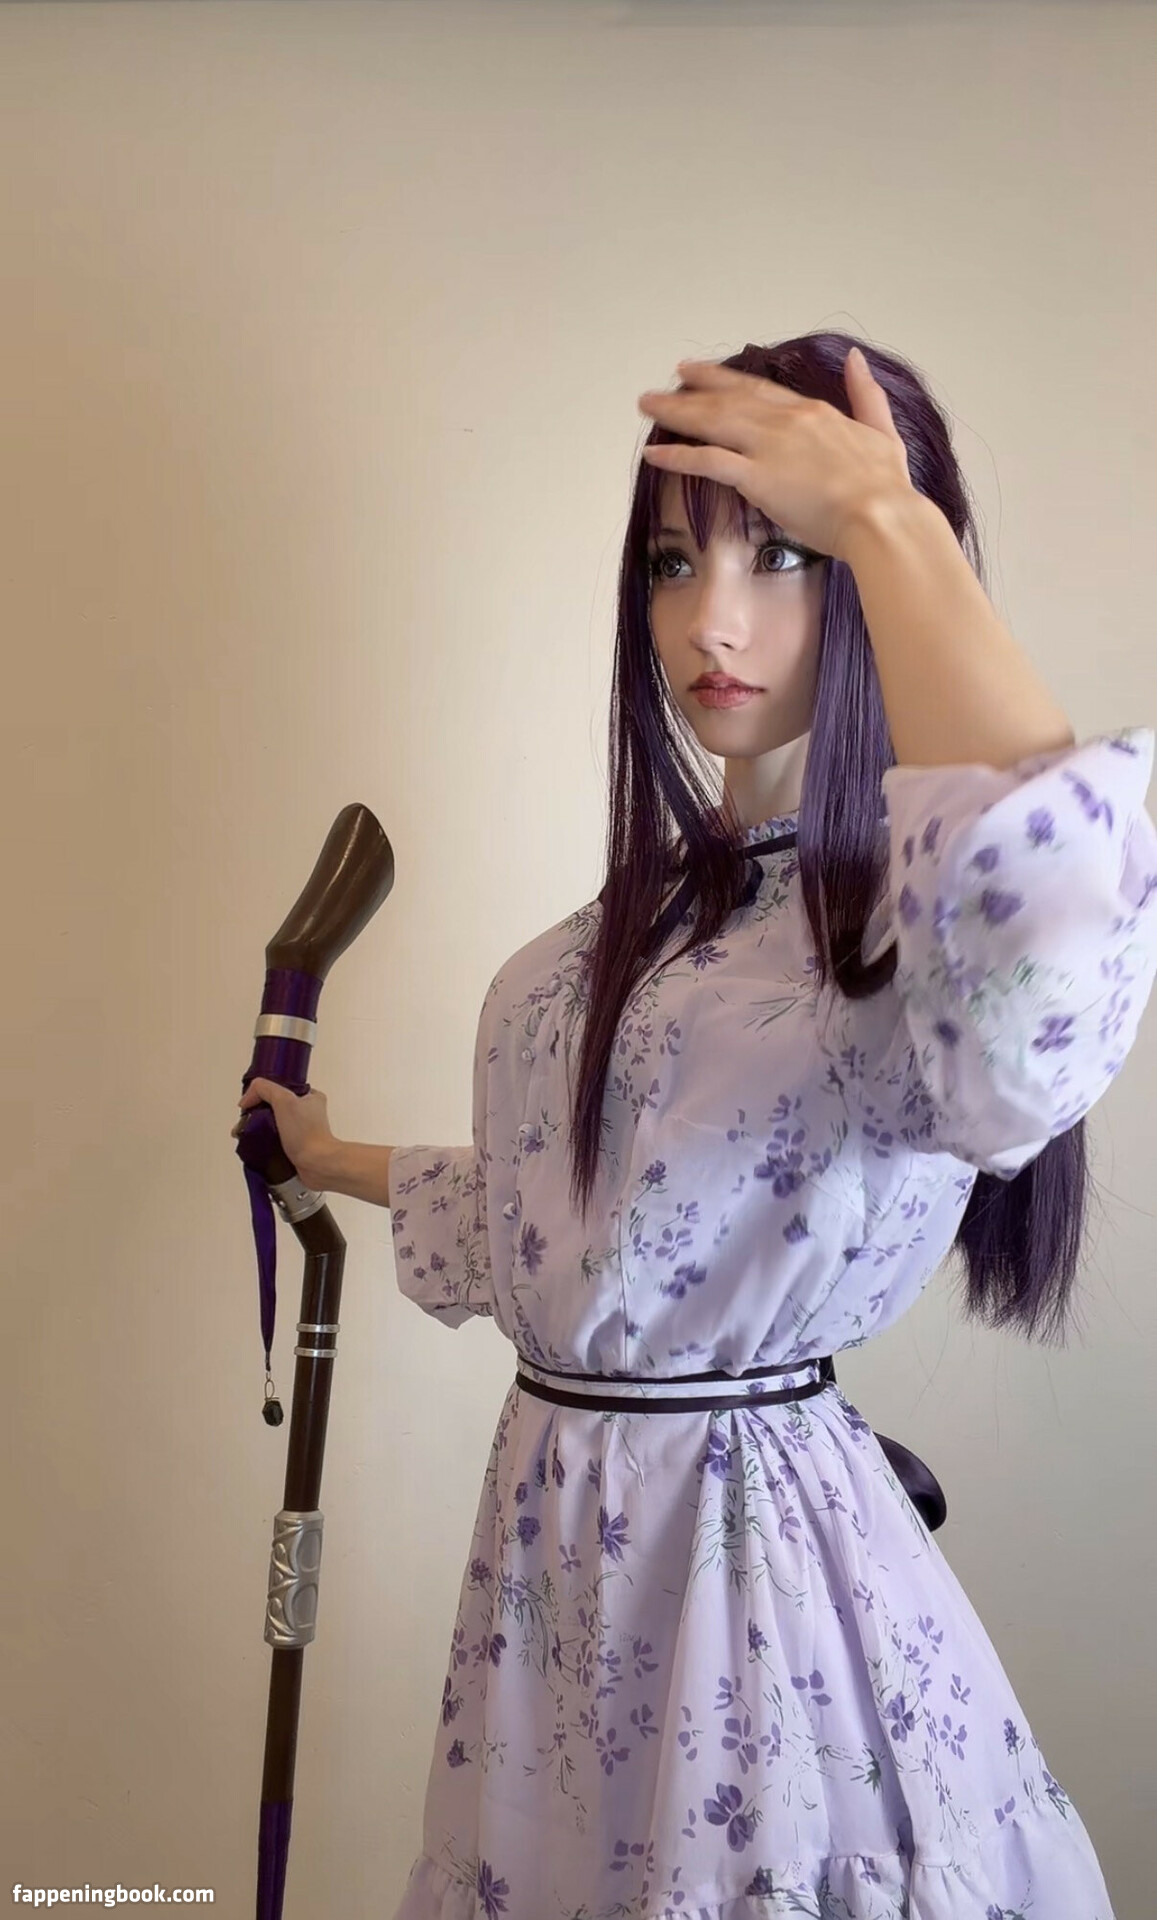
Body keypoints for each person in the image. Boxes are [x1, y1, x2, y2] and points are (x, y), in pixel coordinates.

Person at [235, 331, 1157, 1917]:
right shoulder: (634, 928)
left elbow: (1049, 936)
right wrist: (326, 1158)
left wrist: (887, 520)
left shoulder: (894, 941)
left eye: (777, 553)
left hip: (749, 1597)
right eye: (673, 562)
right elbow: (577, 1224)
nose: (708, 620)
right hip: (555, 1580)